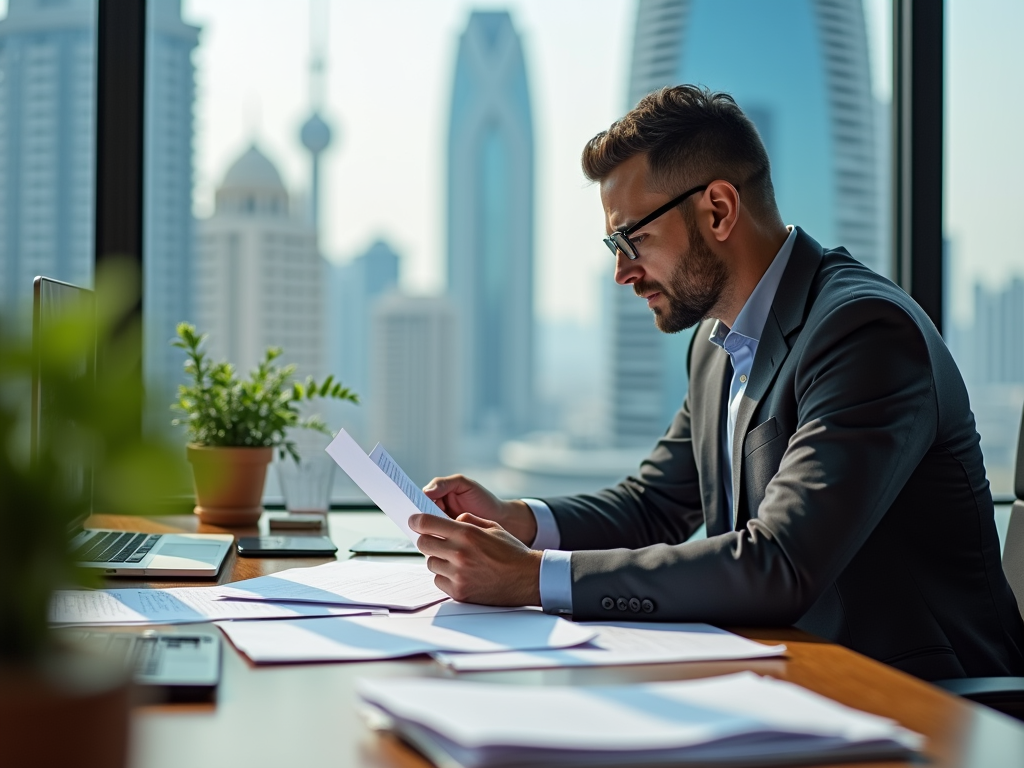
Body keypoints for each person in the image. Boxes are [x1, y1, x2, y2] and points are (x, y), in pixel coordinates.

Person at [409, 85, 1024, 681]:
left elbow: (779, 561)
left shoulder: (863, 332)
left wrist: (532, 576)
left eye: (633, 239)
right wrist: (516, 521)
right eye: (612, 244)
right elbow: (653, 506)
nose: (621, 272)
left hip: (922, 705)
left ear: (719, 210)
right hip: (785, 682)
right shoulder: (718, 346)